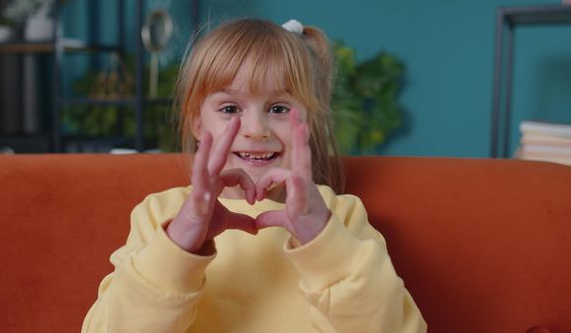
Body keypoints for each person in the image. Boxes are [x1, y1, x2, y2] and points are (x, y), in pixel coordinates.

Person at [82, 18, 427, 333]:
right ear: (198, 123)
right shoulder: (159, 216)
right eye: (230, 109)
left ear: (309, 123)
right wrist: (182, 241)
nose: (256, 129)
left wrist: (322, 239)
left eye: (278, 108)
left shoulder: (342, 216)